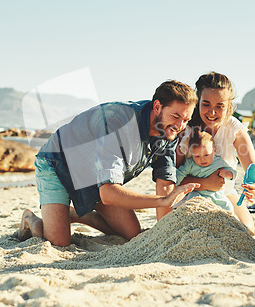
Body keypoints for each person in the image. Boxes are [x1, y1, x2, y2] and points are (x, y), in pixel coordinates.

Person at [19, 80, 200, 247]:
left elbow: (165, 184)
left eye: (186, 120)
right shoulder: (118, 124)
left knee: (133, 234)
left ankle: (75, 214)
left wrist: (163, 235)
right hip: (58, 163)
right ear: (158, 107)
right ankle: (32, 219)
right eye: (176, 116)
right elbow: (109, 193)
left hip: (95, 176)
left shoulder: (169, 131)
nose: (180, 125)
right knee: (59, 243)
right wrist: (161, 201)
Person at [164, 72, 255, 232]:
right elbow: (172, 180)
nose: (212, 112)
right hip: (190, 195)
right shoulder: (187, 131)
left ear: (229, 105)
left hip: (225, 193)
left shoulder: (234, 129)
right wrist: (205, 184)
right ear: (197, 102)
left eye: (220, 106)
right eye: (206, 104)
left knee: (246, 231)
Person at [173, 128, 236, 213]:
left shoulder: (218, 162)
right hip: (197, 193)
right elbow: (180, 173)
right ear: (191, 153)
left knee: (228, 207)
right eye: (197, 156)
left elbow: (233, 172)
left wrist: (228, 173)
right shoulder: (190, 163)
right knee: (193, 204)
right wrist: (174, 186)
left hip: (216, 195)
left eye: (206, 155)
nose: (202, 159)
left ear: (214, 150)